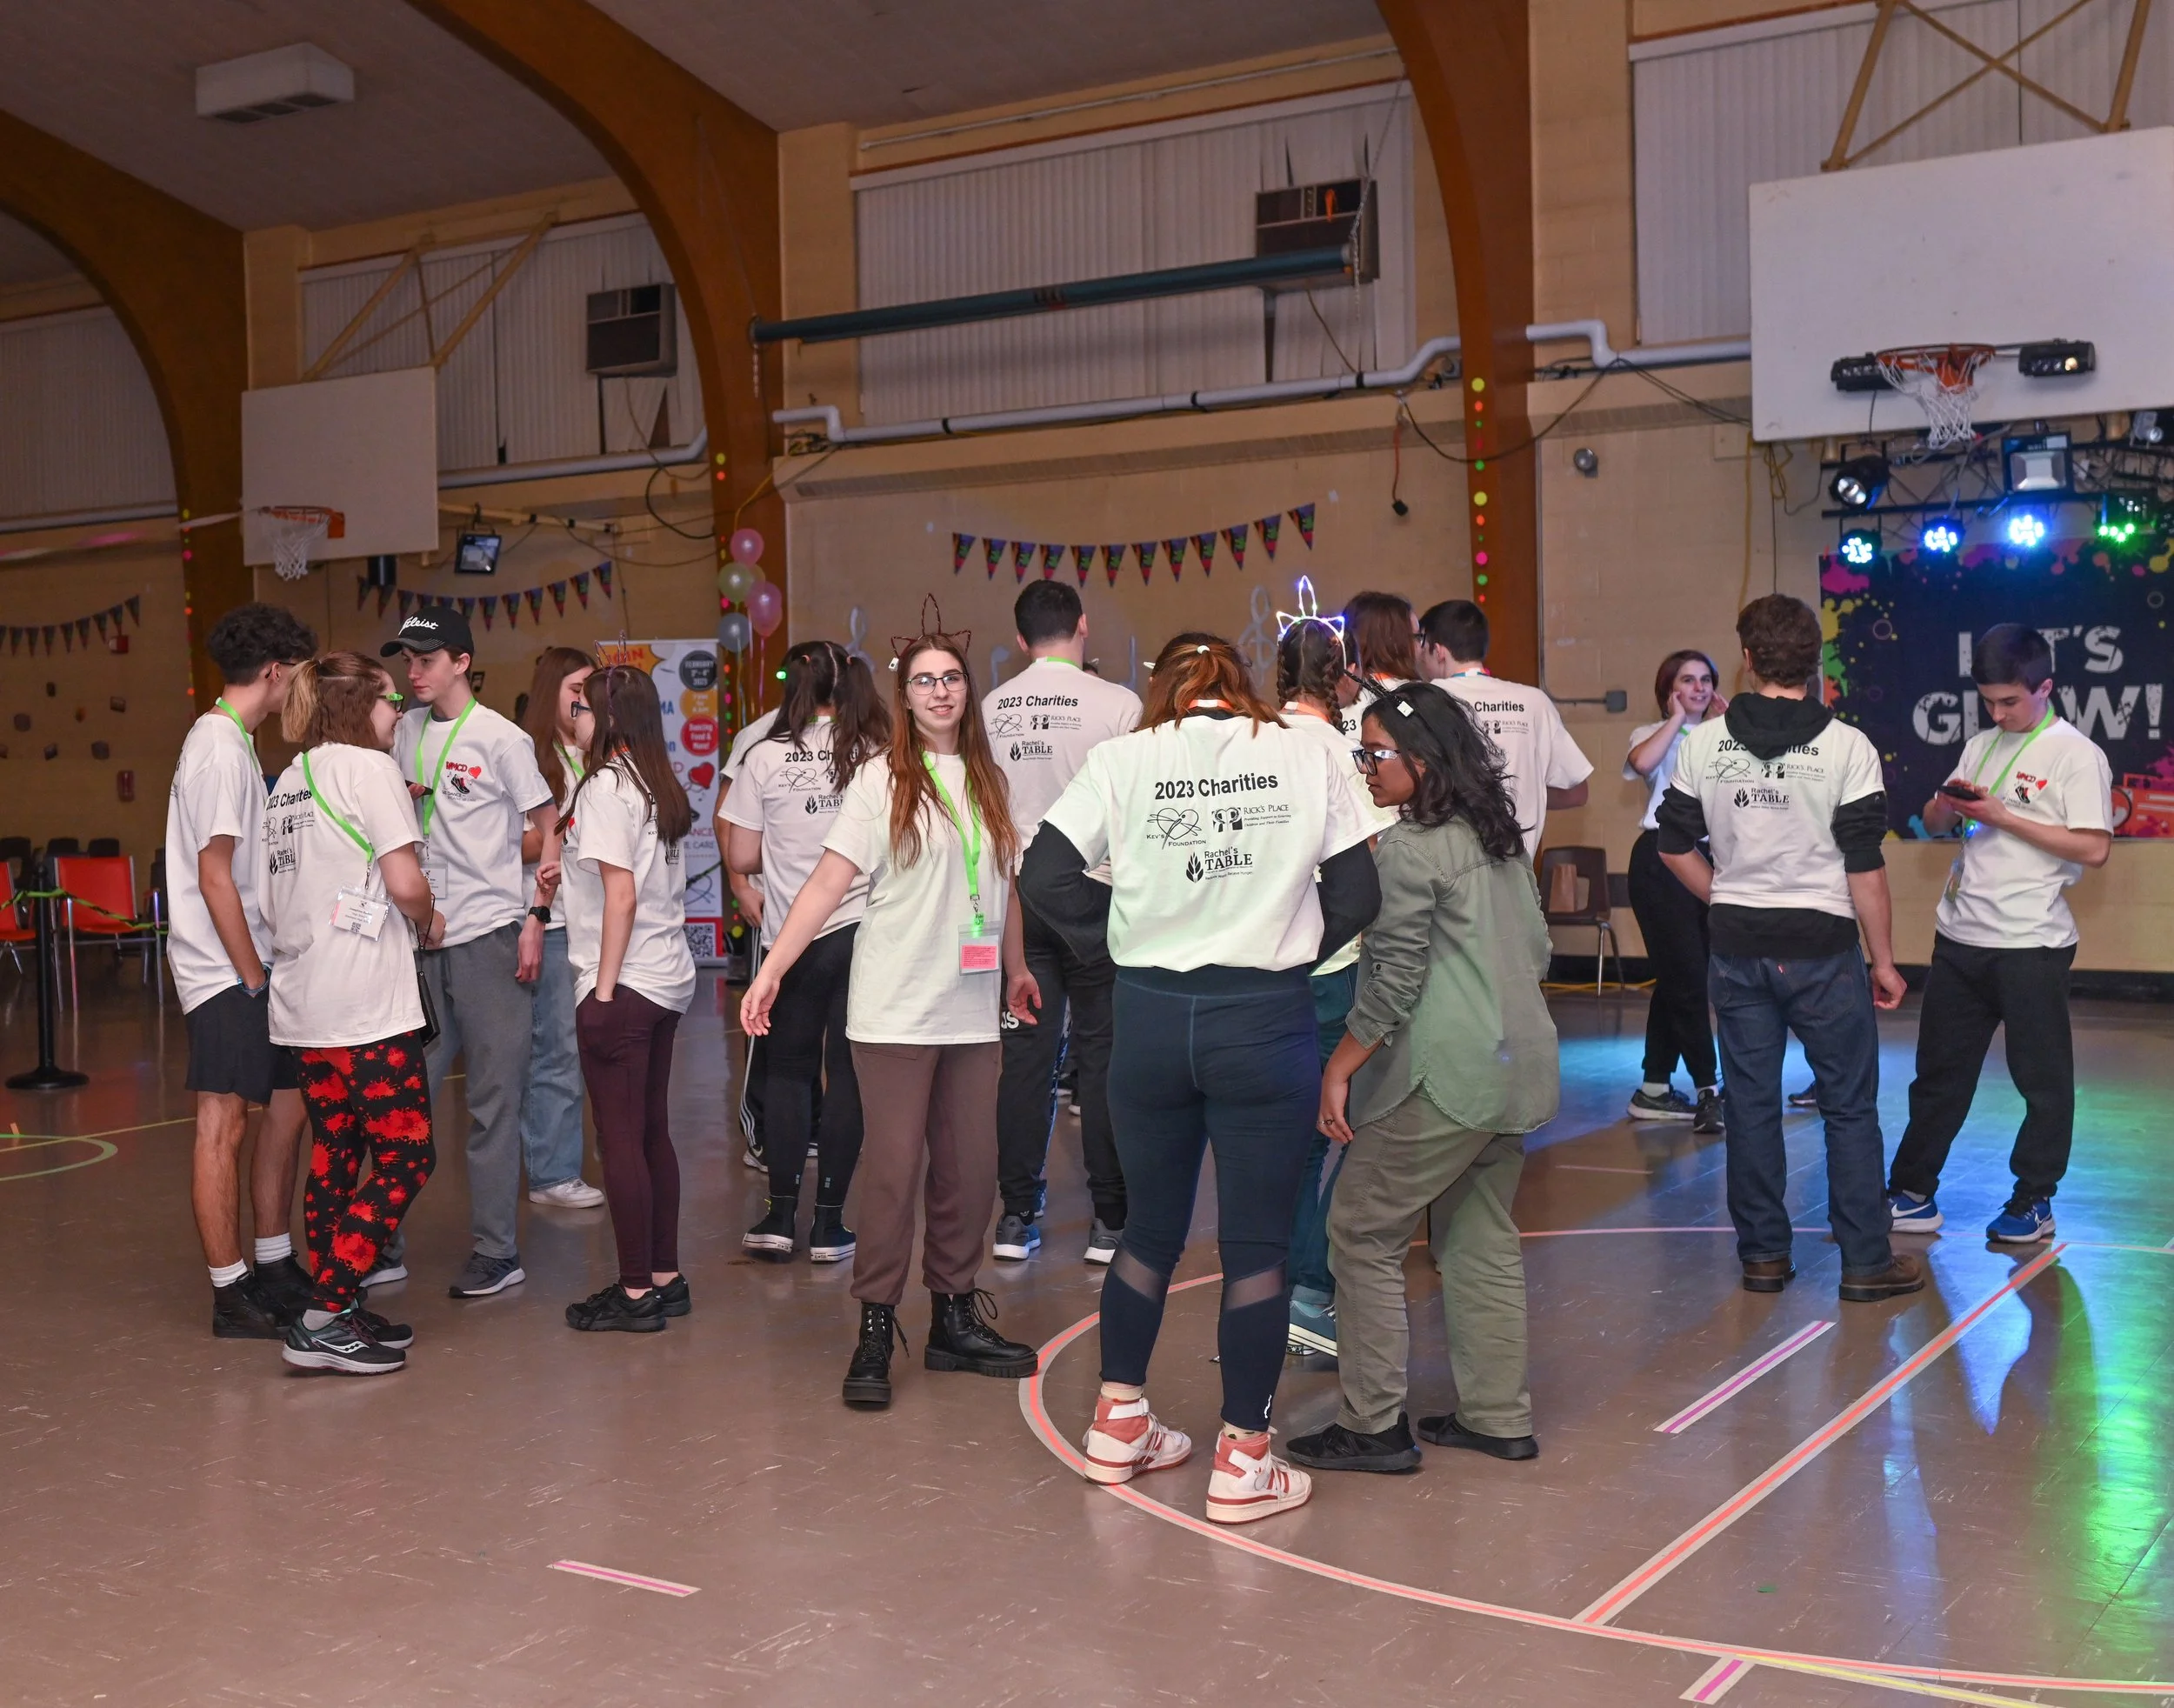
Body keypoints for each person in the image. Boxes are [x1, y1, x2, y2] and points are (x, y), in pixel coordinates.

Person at [1021, 632, 1378, 1525]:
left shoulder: (1122, 757)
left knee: (1148, 1231)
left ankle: (1117, 1422)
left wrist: (1127, 932)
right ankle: (1244, 1459)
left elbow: (1043, 873)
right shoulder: (1306, 749)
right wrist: (1287, 944)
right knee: (1255, 1247)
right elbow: (1362, 891)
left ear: (1164, 691)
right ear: (1238, 686)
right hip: (1262, 1017)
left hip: (1147, 1018)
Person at [744, 605, 1037, 1410]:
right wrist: (771, 970)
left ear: (967, 691)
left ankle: (952, 1314)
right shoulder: (881, 779)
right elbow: (829, 883)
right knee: (895, 1173)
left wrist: (1014, 969)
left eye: (950, 679)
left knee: (971, 1173)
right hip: (894, 1012)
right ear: (903, 699)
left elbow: (1000, 887)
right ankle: (875, 1322)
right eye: (922, 682)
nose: (939, 692)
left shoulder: (990, 779)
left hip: (971, 1011)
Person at [1291, 683, 1558, 1473]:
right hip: (1515, 1070)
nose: (1364, 768)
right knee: (1478, 1235)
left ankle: (1373, 1426)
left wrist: (1339, 1068)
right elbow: (1538, 949)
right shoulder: (1497, 838)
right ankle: (1496, 1416)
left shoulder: (1409, 848)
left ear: (1421, 760)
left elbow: (1394, 980)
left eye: (1374, 755)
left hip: (1445, 1078)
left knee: (1360, 1232)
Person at [1657, 595, 1922, 1302]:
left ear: (1746, 659)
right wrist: (1886, 959)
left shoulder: (1704, 744)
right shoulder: (1847, 747)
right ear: (1816, 662)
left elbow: (1672, 843)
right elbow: (1864, 864)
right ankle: (1865, 1264)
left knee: (1750, 1106)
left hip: (1740, 948)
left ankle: (1765, 1259)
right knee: (1847, 1107)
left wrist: (1724, 896)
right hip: (1822, 951)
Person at [1887, 624, 2112, 1244]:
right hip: (1960, 937)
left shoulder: (2076, 754)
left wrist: (2003, 817)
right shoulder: (1980, 745)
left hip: (2031, 944)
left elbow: (2094, 850)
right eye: (1989, 701)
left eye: (2011, 701)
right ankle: (1911, 1192)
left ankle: (2033, 1198)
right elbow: (1936, 824)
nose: (1998, 712)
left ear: (2046, 688)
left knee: (2040, 1080)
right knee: (1938, 1074)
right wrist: (1944, 806)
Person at [261, 652, 444, 1375]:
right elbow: (403, 882)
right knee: (407, 1154)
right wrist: (430, 918)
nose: (399, 713)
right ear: (357, 705)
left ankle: (339, 1304)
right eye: (390, 700)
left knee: (339, 1153)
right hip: (366, 1006)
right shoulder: (369, 771)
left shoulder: (289, 783)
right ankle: (325, 1310)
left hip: (305, 1004)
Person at [381, 609, 558, 1300]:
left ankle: (496, 1250)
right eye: (407, 660)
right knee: (405, 1101)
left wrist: (537, 916)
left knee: (493, 1100)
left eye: (426, 659)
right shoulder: (401, 734)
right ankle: (382, 1244)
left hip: (488, 936)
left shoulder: (501, 739)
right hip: (420, 943)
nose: (414, 671)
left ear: (462, 661)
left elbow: (550, 830)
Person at [167, 602, 320, 1337]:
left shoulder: (237, 746)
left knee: (287, 1107)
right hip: (226, 971)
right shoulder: (219, 750)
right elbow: (215, 876)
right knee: (223, 1123)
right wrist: (253, 975)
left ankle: (273, 1257)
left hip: (256, 965)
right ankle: (231, 1292)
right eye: (299, 675)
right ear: (275, 671)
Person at [985, 580, 1142, 1265]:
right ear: (1083, 627)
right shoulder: (1120, 704)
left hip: (1018, 895)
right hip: (1099, 894)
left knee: (1025, 1060)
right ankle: (1111, 1220)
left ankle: (1017, 1215)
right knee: (1105, 1059)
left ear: (1020, 640)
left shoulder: (989, 707)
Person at [724, 639, 890, 1264]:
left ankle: (777, 1215)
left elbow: (741, 857)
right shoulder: (877, 753)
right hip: (863, 934)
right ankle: (829, 1226)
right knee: (846, 1074)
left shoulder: (763, 755)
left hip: (790, 938)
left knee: (788, 1072)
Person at [557, 664, 699, 1332]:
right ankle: (665, 1276)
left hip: (629, 983)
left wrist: (603, 993)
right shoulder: (654, 782)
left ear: (608, 720)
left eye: (582, 709)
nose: (574, 719)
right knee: (650, 1133)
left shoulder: (607, 788)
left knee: (619, 1139)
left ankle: (637, 1291)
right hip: (668, 977)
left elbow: (621, 894)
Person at [1271, 616, 1396, 1362]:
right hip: (1334, 964)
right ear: (1341, 674)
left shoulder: (1255, 742)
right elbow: (1373, 856)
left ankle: (1278, 1291)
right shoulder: (1340, 754)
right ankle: (1312, 1296)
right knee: (1338, 1131)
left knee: (1285, 1143)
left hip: (1270, 964)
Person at [517, 646, 607, 1211]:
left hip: (590, 922)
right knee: (554, 1051)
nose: (583, 699)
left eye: (591, 690)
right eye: (576, 687)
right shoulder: (528, 756)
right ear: (552, 689)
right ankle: (552, 1174)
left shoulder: (597, 755)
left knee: (573, 1050)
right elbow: (514, 841)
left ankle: (556, 1165)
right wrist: (560, 827)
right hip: (545, 920)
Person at [1623, 649, 1728, 1131]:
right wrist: (1677, 718)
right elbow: (1644, 763)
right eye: (1688, 680)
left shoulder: (1724, 736)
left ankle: (1654, 1087)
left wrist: (1731, 730)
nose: (1700, 688)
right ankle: (1711, 1089)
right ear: (1670, 688)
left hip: (1712, 858)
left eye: (1706, 680)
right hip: (1661, 859)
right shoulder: (1651, 733)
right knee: (1688, 978)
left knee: (1680, 974)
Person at [1417, 598, 1592, 857]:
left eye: (1422, 646)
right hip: (1519, 873)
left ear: (1439, 651)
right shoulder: (1534, 702)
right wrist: (1526, 793)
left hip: (1449, 870)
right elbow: (1577, 792)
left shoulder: (1428, 699)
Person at [720, 701, 783, 1173]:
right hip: (773, 907)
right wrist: (741, 886)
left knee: (829, 1033)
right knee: (766, 1021)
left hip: (843, 915)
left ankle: (820, 1126)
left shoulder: (853, 731)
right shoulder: (759, 736)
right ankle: (759, 1130)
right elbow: (728, 815)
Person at [1337, 590, 1421, 737]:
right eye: (1418, 637)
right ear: (1396, 642)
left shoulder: (1328, 696)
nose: (1422, 646)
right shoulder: (1421, 698)